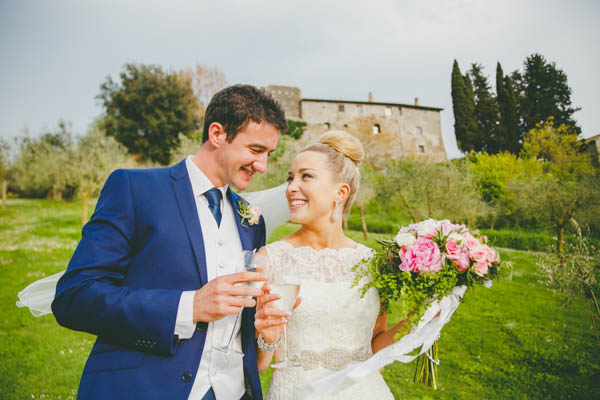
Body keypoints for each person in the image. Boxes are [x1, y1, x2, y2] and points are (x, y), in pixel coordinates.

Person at [50, 84, 287, 400]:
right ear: (217, 134)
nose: (263, 166)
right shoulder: (135, 189)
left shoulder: (251, 219)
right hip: (145, 389)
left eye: (268, 154)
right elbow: (75, 298)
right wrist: (189, 307)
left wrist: (263, 326)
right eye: (255, 150)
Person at [253, 131, 407, 399]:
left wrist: (419, 324)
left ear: (341, 192)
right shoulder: (269, 259)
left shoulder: (373, 263)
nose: (290, 187)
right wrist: (267, 335)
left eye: (306, 176)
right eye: (290, 178)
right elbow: (258, 364)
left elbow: (375, 346)